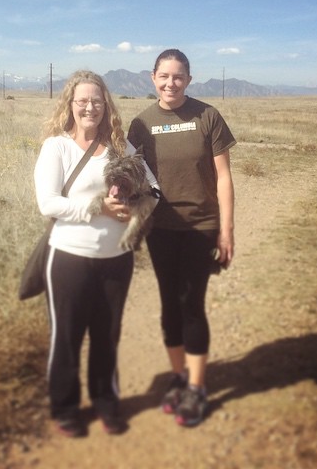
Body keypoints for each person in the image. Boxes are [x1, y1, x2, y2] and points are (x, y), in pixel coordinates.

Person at [34, 69, 159, 438]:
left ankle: (107, 403)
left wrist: (135, 208)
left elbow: (153, 190)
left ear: (107, 106)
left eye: (97, 101)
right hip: (68, 259)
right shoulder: (56, 146)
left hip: (116, 261)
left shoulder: (122, 148)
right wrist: (98, 208)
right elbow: (48, 204)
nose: (90, 108)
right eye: (82, 101)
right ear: (69, 105)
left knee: (107, 336)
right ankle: (66, 407)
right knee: (67, 337)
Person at [127, 49, 236, 428]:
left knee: (192, 303)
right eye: (164, 76)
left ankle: (197, 387)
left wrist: (226, 230)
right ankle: (178, 377)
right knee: (169, 304)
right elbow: (134, 179)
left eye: (178, 76)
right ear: (152, 78)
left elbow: (223, 177)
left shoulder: (207, 116)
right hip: (161, 229)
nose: (170, 83)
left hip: (200, 226)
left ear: (189, 79)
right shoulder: (140, 124)